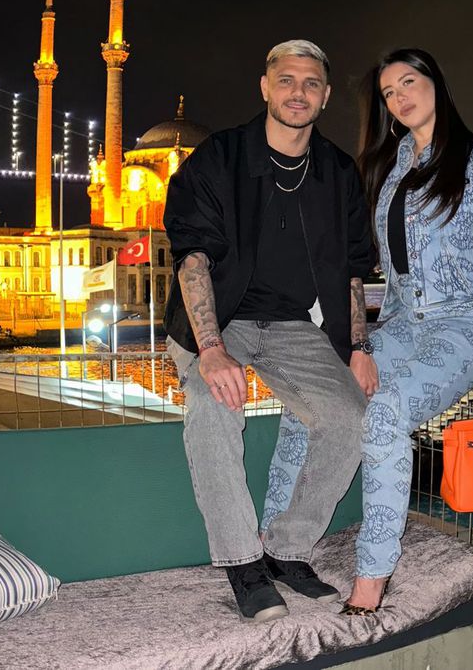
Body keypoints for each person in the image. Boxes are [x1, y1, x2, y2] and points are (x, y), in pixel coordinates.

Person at [162, 39, 378, 623]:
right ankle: (242, 563)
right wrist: (211, 350)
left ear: (325, 97)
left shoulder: (337, 171)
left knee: (350, 416)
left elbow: (353, 268)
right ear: (265, 87)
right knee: (213, 405)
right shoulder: (219, 156)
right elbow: (193, 257)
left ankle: (286, 547)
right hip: (219, 319)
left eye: (311, 83)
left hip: (288, 323)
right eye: (286, 80)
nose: (297, 92)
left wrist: (360, 347)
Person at [337, 47, 473, 613]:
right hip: (400, 320)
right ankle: (280, 543)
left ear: (435, 84)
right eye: (389, 93)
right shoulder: (391, 166)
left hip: (465, 323)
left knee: (387, 410)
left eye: (409, 83)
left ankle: (373, 573)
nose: (400, 98)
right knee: (327, 389)